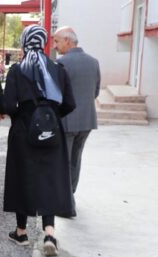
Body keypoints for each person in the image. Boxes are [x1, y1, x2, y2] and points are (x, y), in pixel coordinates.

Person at [3, 25, 76, 257]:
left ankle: (21, 232)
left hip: (23, 135)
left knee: (23, 178)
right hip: (52, 134)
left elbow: (6, 106)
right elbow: (70, 103)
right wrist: (50, 118)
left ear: (25, 42)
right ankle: (49, 233)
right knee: (49, 180)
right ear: (45, 43)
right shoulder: (58, 69)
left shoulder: (17, 70)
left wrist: (23, 117)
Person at [54, 26, 101, 216]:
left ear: (68, 41)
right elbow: (96, 92)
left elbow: (56, 95)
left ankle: (67, 204)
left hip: (67, 120)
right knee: (76, 159)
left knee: (63, 161)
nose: (55, 45)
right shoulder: (93, 62)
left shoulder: (62, 63)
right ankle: (70, 196)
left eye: (57, 41)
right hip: (87, 120)